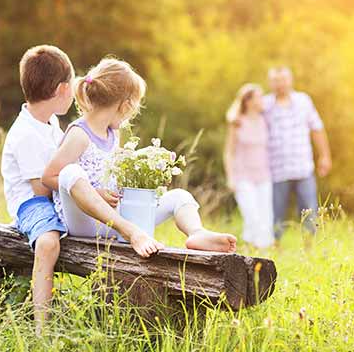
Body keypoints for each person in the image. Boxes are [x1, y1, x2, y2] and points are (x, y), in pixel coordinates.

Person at [42, 57, 237, 253]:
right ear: (125, 105)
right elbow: (49, 177)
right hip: (83, 222)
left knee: (179, 196)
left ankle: (196, 232)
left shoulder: (112, 133)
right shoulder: (80, 134)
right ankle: (131, 232)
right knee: (70, 172)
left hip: (112, 220)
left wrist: (147, 156)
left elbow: (117, 166)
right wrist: (96, 194)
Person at [0, 45, 74, 333]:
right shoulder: (25, 134)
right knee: (48, 243)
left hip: (51, 193)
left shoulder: (49, 121)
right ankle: (41, 328)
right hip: (31, 204)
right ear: (61, 89)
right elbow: (41, 192)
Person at [263, 66, 332, 238]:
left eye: (283, 80)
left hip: (303, 168)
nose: (280, 84)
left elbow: (317, 128)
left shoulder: (303, 101)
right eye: (276, 81)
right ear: (270, 83)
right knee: (275, 214)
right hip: (276, 171)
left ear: (290, 80)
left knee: (309, 212)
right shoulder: (264, 104)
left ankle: (309, 249)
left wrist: (325, 156)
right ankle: (275, 248)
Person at [223, 83, 274, 248]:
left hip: (264, 175)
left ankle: (262, 250)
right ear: (249, 101)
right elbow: (229, 152)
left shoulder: (265, 120)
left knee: (266, 215)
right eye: (259, 97)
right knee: (252, 215)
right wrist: (230, 177)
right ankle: (251, 245)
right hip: (243, 175)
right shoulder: (237, 123)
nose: (262, 100)